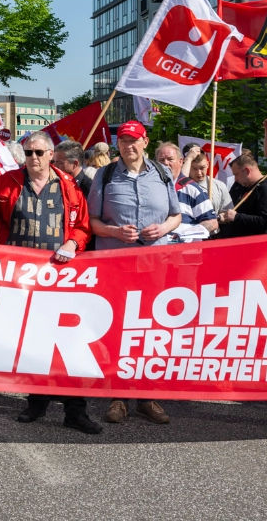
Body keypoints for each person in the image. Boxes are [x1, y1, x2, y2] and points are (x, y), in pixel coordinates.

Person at [0, 132, 99, 433]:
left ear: (51, 154)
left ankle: (76, 410)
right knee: (34, 341)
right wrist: (0, 240)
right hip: (21, 277)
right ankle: (37, 402)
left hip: (60, 277)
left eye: (38, 152)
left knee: (69, 342)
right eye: (28, 152)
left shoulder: (69, 187)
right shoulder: (7, 182)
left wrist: (73, 243)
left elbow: (83, 227)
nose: (33, 158)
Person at [88, 123, 180, 427]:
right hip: (117, 263)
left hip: (155, 263)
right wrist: (114, 230)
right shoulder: (105, 174)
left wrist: (163, 228)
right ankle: (118, 396)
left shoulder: (163, 173)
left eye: (134, 140)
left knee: (151, 330)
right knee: (119, 329)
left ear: (145, 141)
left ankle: (146, 396)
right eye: (123, 141)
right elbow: (93, 221)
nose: (129, 146)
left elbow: (176, 215)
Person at [216, 154, 267, 239]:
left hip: (257, 246)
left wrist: (237, 217)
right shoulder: (246, 187)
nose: (236, 179)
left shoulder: (266, 188)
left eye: (236, 174)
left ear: (247, 170)